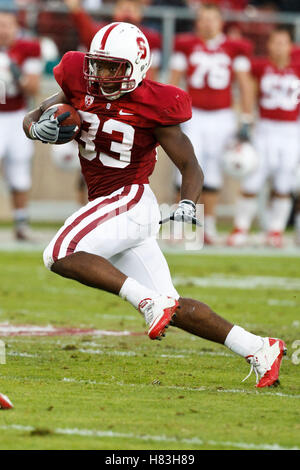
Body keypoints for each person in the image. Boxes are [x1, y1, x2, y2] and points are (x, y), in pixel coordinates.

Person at [23, 22, 286, 388]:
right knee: (172, 304)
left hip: (129, 197)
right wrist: (37, 128)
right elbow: (35, 114)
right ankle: (259, 348)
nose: (101, 74)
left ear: (137, 66)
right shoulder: (78, 79)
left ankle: (146, 302)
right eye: (97, 64)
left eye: (113, 66)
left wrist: (188, 205)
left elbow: (190, 165)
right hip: (110, 204)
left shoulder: (155, 102)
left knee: (60, 253)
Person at [169, 2, 254, 244]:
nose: (207, 23)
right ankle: (179, 226)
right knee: (185, 165)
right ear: (198, 22)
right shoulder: (185, 45)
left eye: (212, 19)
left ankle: (209, 226)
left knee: (214, 170)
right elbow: (174, 82)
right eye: (203, 18)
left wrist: (246, 117)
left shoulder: (234, 48)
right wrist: (170, 114)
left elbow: (245, 84)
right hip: (193, 114)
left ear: (221, 22)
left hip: (223, 115)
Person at [228, 27, 300, 248]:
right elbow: (241, 69)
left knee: (284, 182)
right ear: (268, 45)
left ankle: (275, 231)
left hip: (291, 130)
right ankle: (241, 227)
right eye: (275, 42)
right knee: (253, 179)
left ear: (291, 46)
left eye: (283, 43)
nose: (279, 47)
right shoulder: (261, 67)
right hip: (266, 128)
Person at [0, 4, 42, 240]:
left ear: (16, 27)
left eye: (7, 25)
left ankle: (21, 223)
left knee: (19, 170)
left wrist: (16, 73)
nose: (2, 30)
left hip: (16, 115)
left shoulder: (27, 48)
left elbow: (34, 87)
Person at [63, 0, 161, 80]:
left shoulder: (147, 36)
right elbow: (87, 33)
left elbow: (172, 43)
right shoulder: (104, 31)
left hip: (136, 86)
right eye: (123, 8)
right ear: (115, 11)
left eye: (133, 9)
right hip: (106, 82)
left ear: (140, 14)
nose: (127, 12)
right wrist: (76, 9)